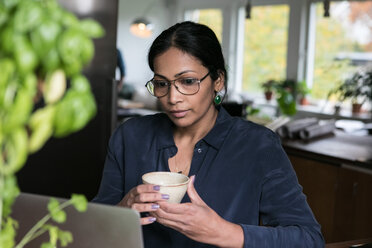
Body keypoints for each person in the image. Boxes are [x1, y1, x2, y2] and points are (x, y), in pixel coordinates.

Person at [93, 21, 324, 247]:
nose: (173, 98)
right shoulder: (130, 136)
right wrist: (123, 210)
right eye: (162, 84)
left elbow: (308, 238)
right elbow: (92, 229)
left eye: (188, 81)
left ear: (218, 80)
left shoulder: (258, 145)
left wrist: (224, 232)